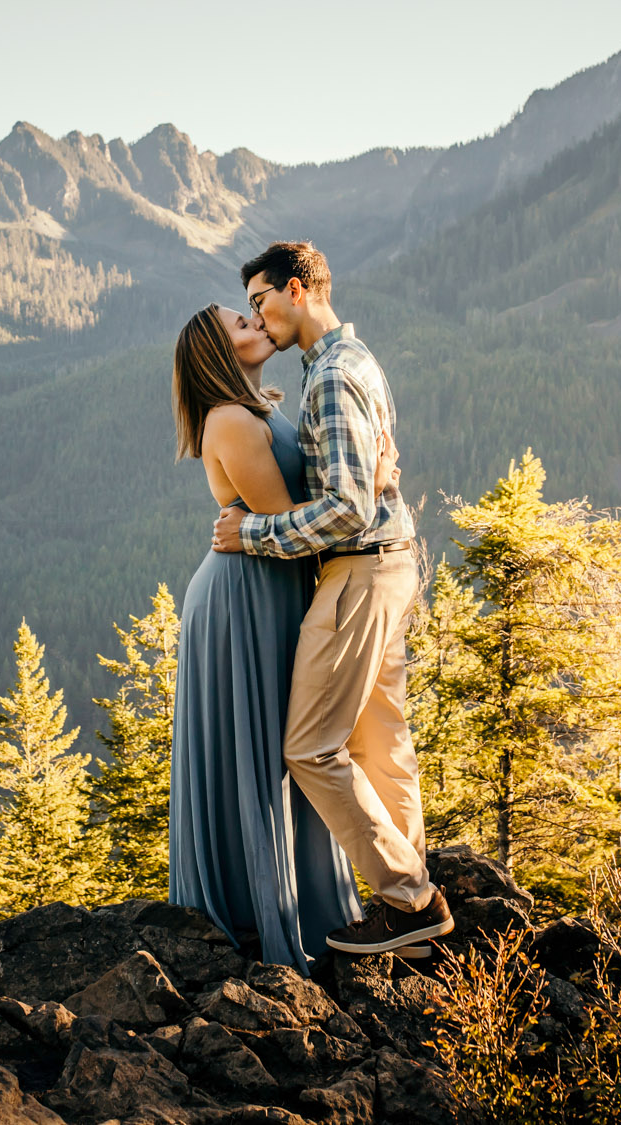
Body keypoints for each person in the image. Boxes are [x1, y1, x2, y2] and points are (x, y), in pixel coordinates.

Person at [210, 242, 454, 956]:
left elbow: (344, 509)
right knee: (382, 741)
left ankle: (408, 899)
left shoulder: (331, 377)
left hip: (359, 569)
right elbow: (364, 480)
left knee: (311, 745)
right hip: (389, 562)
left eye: (260, 300)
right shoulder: (353, 362)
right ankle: (413, 909)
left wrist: (252, 532)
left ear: (294, 289)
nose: (259, 315)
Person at [167, 302, 398, 970]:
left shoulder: (258, 406)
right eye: (240, 323)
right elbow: (286, 525)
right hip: (246, 596)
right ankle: (259, 912)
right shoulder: (232, 420)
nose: (255, 323)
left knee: (281, 742)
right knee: (268, 746)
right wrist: (371, 486)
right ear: (218, 350)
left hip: (270, 588)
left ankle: (301, 898)